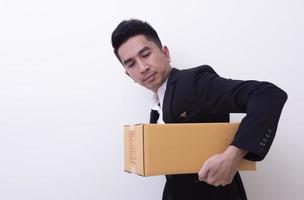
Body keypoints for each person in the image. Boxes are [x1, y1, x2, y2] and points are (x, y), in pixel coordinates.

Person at [111, 19, 287, 200]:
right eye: (131, 64)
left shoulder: (195, 82)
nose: (142, 68)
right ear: (128, 74)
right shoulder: (156, 108)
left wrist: (234, 154)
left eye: (146, 54)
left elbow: (268, 95)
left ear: (165, 53)